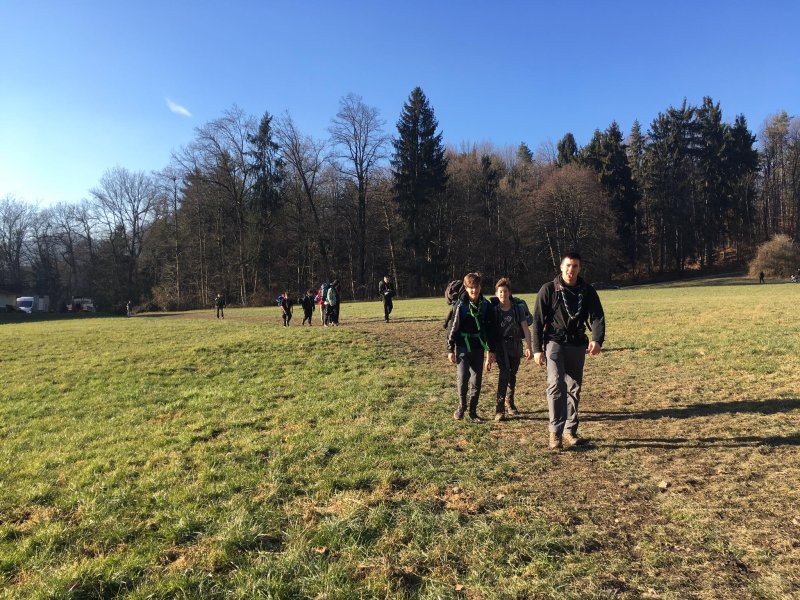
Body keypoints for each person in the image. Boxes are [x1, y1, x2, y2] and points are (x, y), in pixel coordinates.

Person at [532, 252, 605, 451]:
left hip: (577, 344)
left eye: (575, 266)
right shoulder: (548, 289)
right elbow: (537, 321)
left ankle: (569, 431)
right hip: (554, 342)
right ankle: (555, 433)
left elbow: (597, 316)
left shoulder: (587, 291)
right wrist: (537, 349)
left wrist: (597, 339)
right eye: (568, 265)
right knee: (556, 384)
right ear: (561, 267)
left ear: (579, 268)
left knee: (574, 387)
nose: (571, 270)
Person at [447, 272, 497, 422]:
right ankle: (462, 406)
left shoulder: (486, 306)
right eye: (471, 288)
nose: (474, 290)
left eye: (476, 287)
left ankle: (473, 411)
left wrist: (491, 350)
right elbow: (453, 328)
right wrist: (450, 349)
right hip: (462, 345)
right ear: (466, 287)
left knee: (476, 380)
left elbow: (491, 330)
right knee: (463, 377)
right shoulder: (461, 305)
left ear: (480, 287)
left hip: (478, 347)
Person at [490, 278, 533, 421]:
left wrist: (529, 347)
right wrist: (490, 352)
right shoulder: (494, 311)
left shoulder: (517, 309)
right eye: (500, 292)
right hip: (501, 347)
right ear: (496, 294)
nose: (503, 294)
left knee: (512, 376)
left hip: (515, 346)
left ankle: (510, 402)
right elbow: (490, 333)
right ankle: (499, 409)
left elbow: (526, 329)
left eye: (505, 291)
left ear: (509, 293)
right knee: (504, 374)